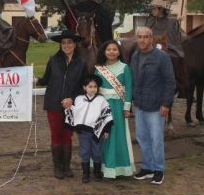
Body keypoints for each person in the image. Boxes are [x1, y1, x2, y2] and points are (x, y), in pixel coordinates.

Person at [38, 29, 88, 179]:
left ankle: (66, 166)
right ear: (60, 45)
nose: (67, 45)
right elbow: (46, 79)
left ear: (75, 44)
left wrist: (72, 98)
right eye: (64, 43)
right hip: (53, 103)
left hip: (71, 106)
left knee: (67, 135)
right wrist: (35, 80)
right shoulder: (53, 60)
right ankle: (57, 167)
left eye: (70, 42)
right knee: (56, 135)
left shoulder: (81, 63)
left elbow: (84, 86)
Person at [130, 26, 175, 185]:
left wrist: (166, 103)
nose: (142, 40)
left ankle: (158, 169)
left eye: (145, 37)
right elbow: (133, 80)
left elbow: (170, 81)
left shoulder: (162, 57)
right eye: (139, 37)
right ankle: (147, 167)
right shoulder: (135, 56)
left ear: (151, 39)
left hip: (156, 105)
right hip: (140, 104)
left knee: (156, 139)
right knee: (142, 138)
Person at [94, 40, 136, 178]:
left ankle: (119, 167)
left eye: (114, 49)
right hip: (103, 106)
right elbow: (94, 89)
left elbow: (129, 88)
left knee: (118, 134)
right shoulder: (99, 69)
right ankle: (104, 166)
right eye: (108, 50)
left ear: (119, 52)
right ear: (104, 52)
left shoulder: (125, 68)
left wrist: (127, 108)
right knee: (104, 136)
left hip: (118, 107)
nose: (111, 52)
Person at [64, 75, 113, 183]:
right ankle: (86, 174)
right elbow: (75, 111)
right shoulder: (79, 99)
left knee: (97, 152)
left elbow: (106, 115)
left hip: (96, 132)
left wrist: (106, 130)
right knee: (84, 151)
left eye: (95, 87)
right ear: (84, 87)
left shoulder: (101, 100)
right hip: (83, 132)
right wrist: (69, 108)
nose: (93, 89)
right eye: (90, 86)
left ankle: (96, 172)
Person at [144, 0, 188, 95]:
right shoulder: (150, 21)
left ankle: (181, 85)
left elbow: (175, 37)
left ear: (161, 10)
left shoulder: (172, 21)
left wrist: (164, 42)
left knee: (178, 57)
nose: (152, 10)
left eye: (154, 8)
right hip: (150, 46)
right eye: (153, 8)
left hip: (168, 46)